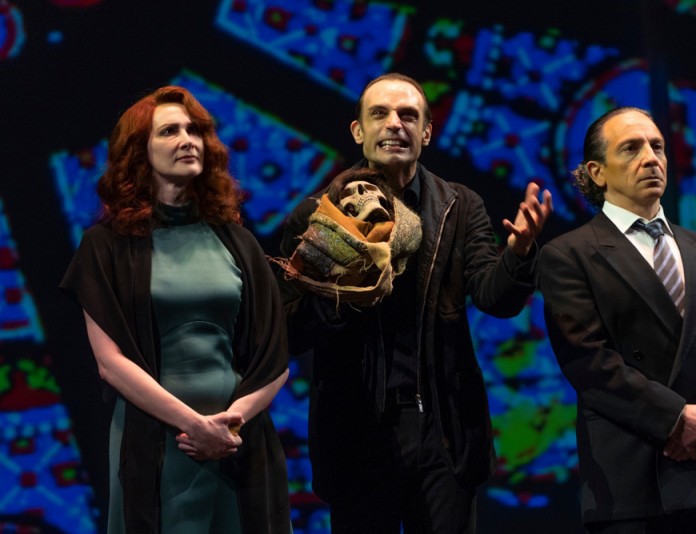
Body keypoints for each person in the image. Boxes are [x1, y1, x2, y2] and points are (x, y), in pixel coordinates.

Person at [279, 72, 553, 533]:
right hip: (357, 430)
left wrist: (519, 255)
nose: (395, 124)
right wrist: (341, 288)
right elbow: (290, 330)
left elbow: (494, 296)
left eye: (409, 115)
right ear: (358, 131)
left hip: (443, 430)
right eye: (379, 114)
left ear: (426, 132)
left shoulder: (459, 206)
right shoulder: (316, 214)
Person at [60, 86, 291, 533]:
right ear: (139, 152)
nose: (188, 140)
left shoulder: (237, 241)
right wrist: (194, 426)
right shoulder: (104, 248)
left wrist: (228, 426)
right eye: (170, 131)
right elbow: (111, 364)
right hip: (158, 441)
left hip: (237, 439)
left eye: (195, 130)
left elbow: (274, 356)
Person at [537, 107, 696, 533]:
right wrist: (675, 418)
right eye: (631, 148)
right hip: (627, 475)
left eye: (657, 146)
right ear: (597, 173)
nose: (651, 158)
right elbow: (586, 358)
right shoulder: (570, 254)